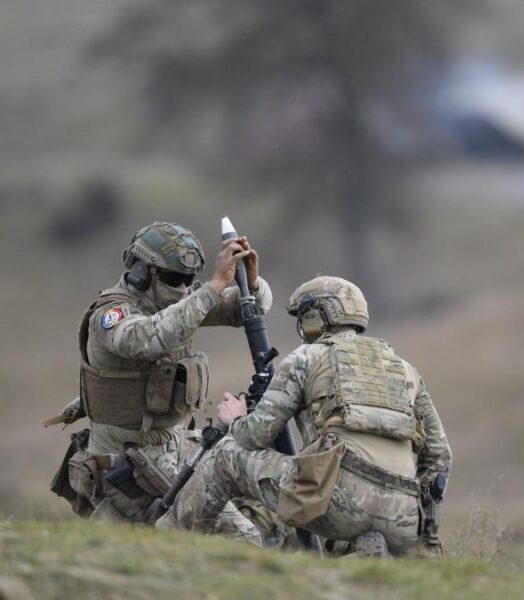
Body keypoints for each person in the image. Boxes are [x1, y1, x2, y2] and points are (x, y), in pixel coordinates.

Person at [160, 275, 452, 557]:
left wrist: (236, 419)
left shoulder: (306, 357)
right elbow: (440, 457)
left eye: (304, 315)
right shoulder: (405, 369)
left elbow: (257, 434)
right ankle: (361, 551)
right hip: (405, 520)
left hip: (337, 503)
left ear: (316, 317)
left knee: (226, 455)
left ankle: (168, 544)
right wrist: (423, 524)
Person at [48, 221, 271, 544]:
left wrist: (249, 282)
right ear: (141, 272)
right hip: (128, 463)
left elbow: (246, 309)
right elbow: (150, 337)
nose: (182, 288)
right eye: (173, 279)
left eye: (188, 280)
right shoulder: (111, 315)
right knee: (241, 538)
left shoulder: (173, 304)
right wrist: (212, 287)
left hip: (175, 450)